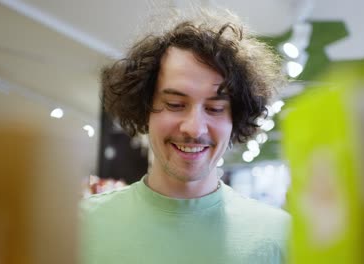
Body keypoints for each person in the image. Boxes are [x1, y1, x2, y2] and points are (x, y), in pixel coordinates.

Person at [80, 8, 290, 264]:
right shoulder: (82, 227)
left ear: (235, 119)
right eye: (175, 104)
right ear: (145, 108)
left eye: (214, 108)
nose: (194, 128)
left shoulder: (279, 236)